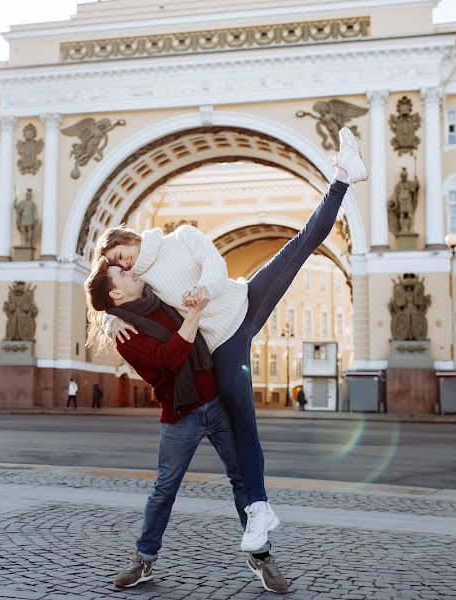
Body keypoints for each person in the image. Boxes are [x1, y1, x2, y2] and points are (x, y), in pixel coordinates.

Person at [96, 127, 366, 552]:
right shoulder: (139, 281)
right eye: (116, 264)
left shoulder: (181, 235)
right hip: (224, 344)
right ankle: (259, 512)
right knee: (245, 424)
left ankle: (343, 177)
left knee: (299, 245)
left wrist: (204, 287)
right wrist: (111, 319)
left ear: (126, 238)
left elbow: (215, 265)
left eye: (119, 255)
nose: (123, 263)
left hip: (246, 299)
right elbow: (123, 300)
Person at [84, 266, 287, 593]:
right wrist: (191, 315)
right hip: (181, 414)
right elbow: (171, 357)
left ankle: (261, 557)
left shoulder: (157, 293)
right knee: (164, 489)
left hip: (216, 401)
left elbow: (169, 259)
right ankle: (144, 559)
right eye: (121, 273)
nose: (130, 270)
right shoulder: (126, 337)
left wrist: (109, 317)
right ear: (116, 294)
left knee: (241, 480)